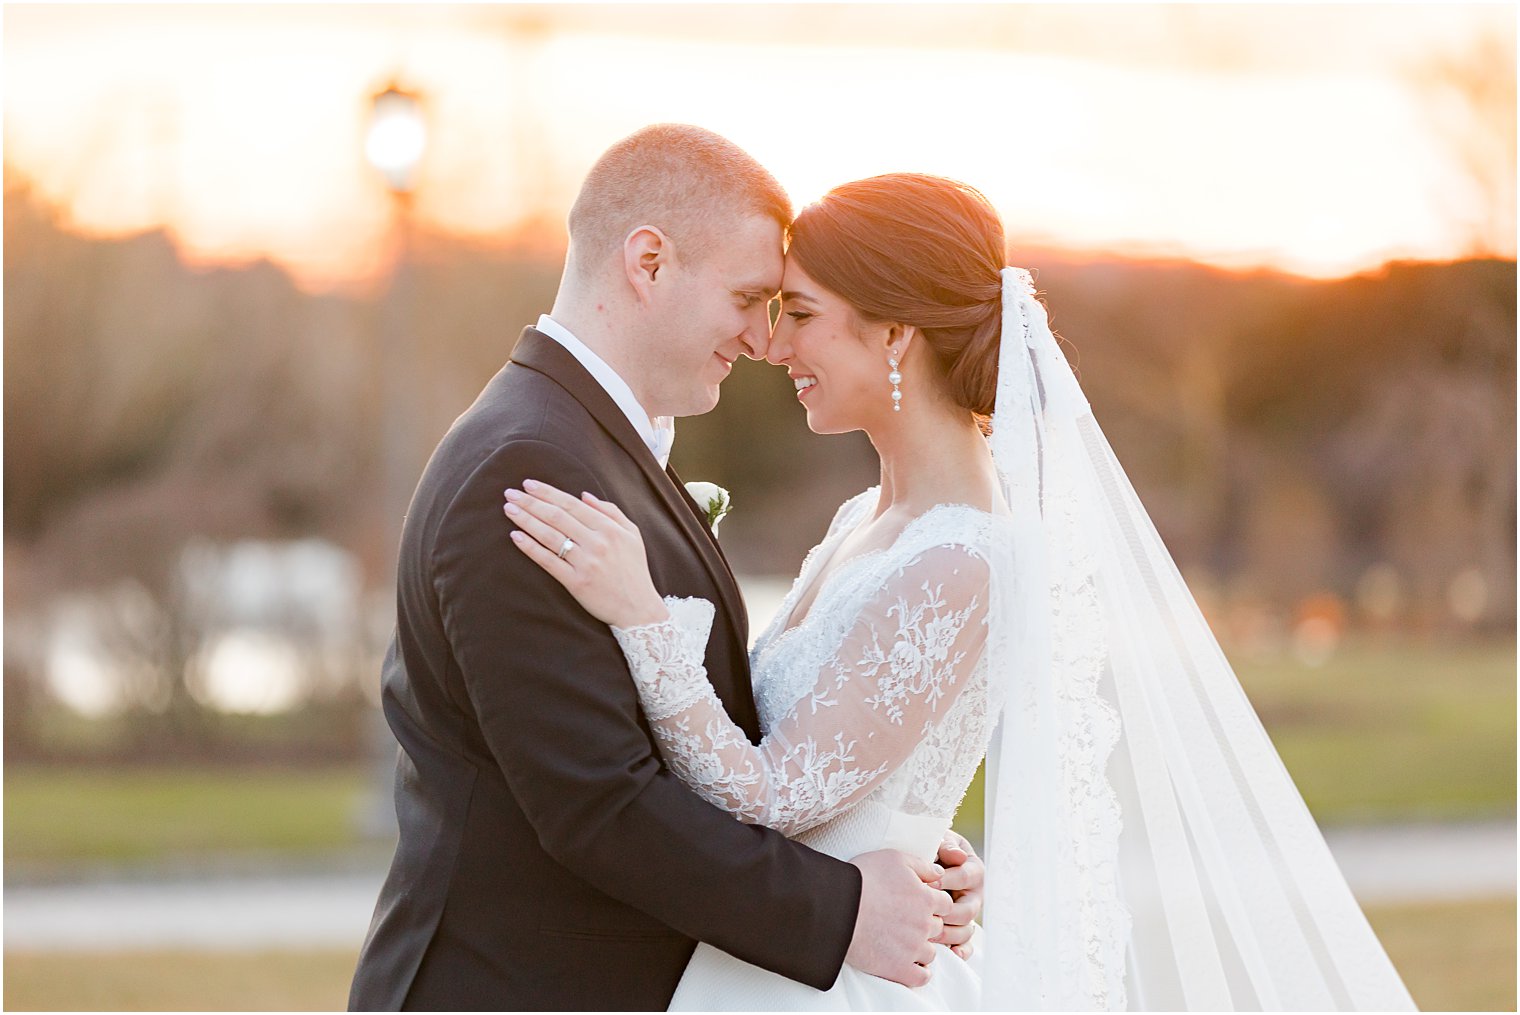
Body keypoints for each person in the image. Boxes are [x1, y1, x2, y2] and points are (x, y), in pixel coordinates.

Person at [508, 173, 1421, 1010]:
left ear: (897, 331)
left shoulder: (963, 558)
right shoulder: (865, 516)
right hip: (790, 951)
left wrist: (641, 615)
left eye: (803, 313)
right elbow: (831, 751)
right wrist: (918, 838)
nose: (773, 344)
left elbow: (772, 794)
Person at [347, 128, 983, 1012]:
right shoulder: (528, 468)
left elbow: (761, 735)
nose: (762, 339)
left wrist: (909, 839)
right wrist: (844, 908)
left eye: (785, 310)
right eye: (751, 298)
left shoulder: (595, 446)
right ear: (648, 262)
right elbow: (597, 802)